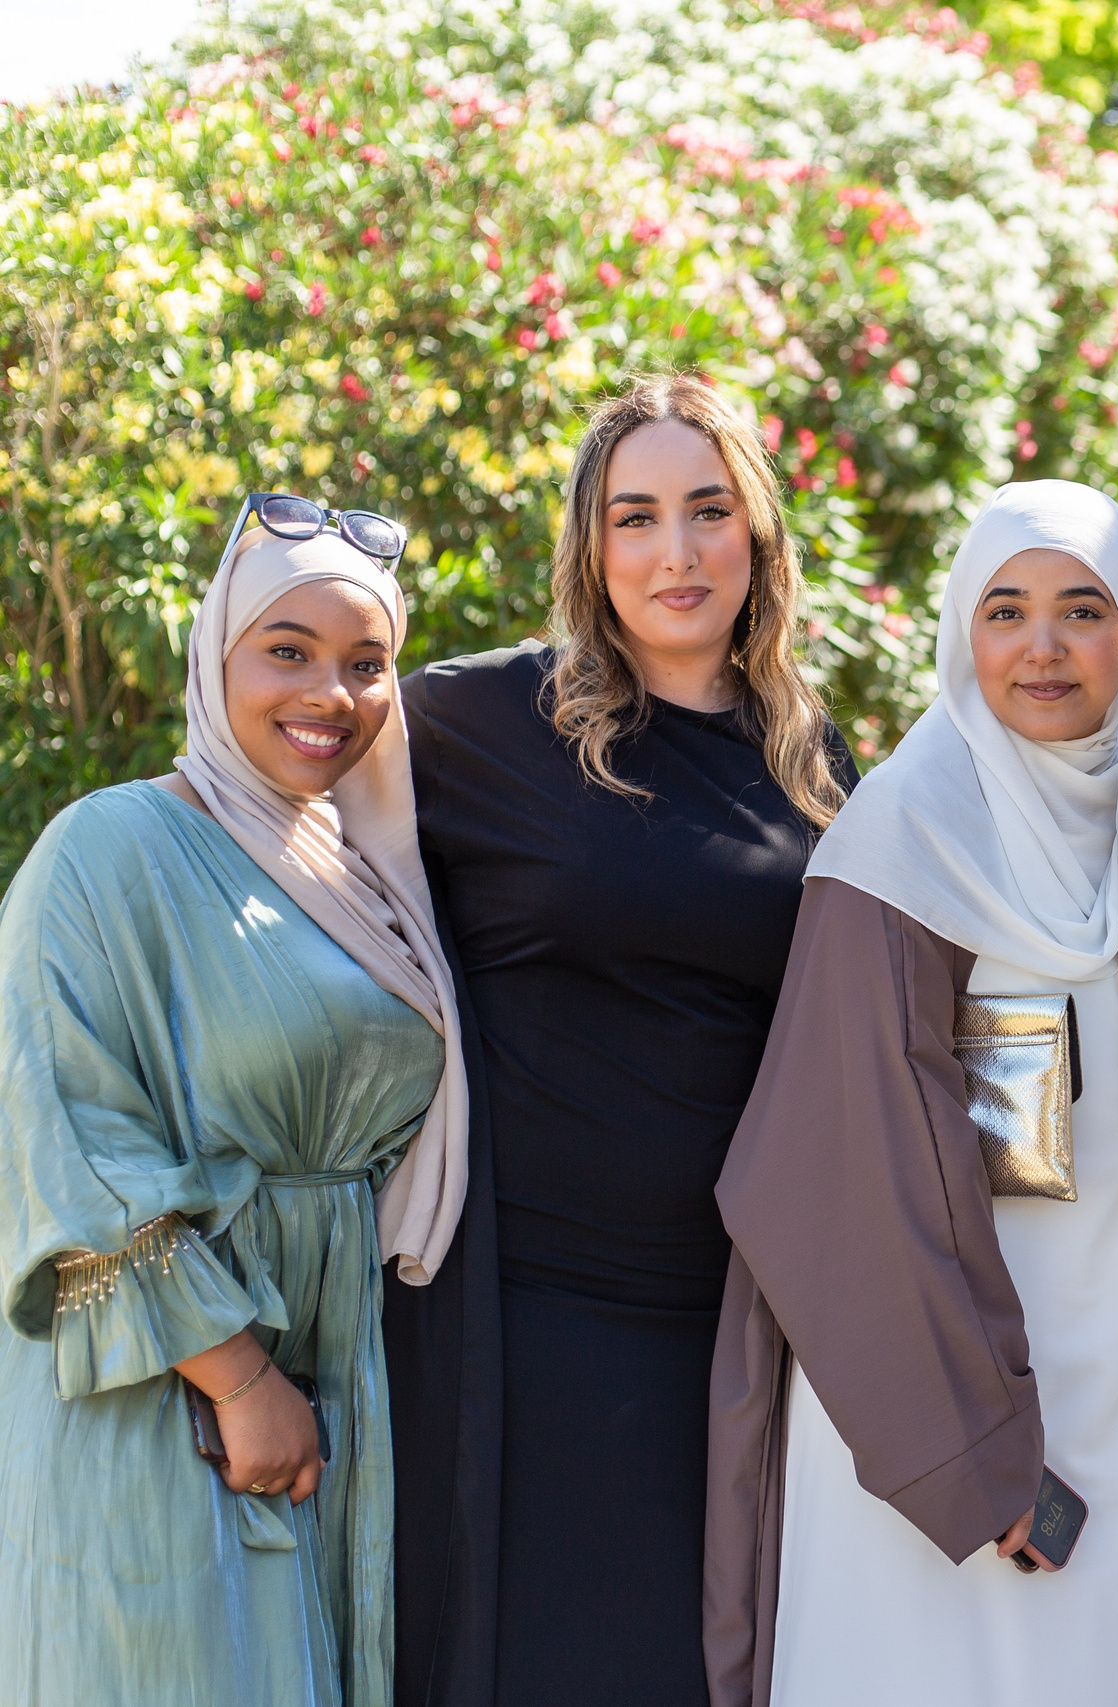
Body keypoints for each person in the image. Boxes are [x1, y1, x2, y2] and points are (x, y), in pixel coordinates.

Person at [383, 375, 851, 1707]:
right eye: (635, 516)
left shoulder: (815, 762)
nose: (675, 552)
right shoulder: (478, 722)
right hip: (520, 1314)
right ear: (591, 546)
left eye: (710, 510)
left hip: (731, 1326)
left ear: (758, 532)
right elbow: (272, 810)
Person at [701, 480, 1118, 1704]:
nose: (1043, 646)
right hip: (944, 1387)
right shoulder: (907, 830)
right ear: (964, 629)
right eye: (1005, 610)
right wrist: (974, 1449)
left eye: (1083, 610)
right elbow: (843, 1160)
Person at [0, 498, 464, 1706]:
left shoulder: (360, 873)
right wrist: (242, 1382)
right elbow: (70, 1143)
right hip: (168, 1396)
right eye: (288, 651)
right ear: (215, 654)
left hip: (337, 1381)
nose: (331, 693)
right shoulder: (107, 850)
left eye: (367, 663)